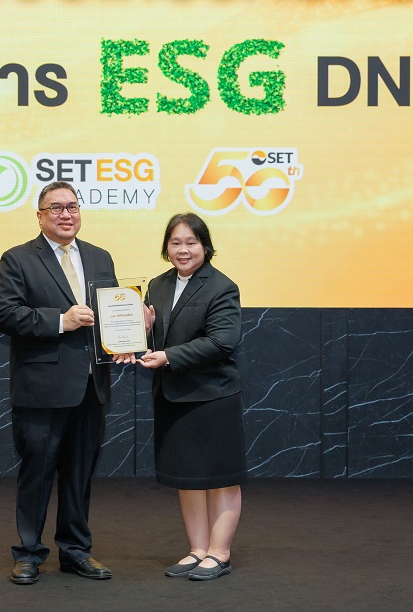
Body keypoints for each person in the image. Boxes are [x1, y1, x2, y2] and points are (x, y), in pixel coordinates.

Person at [0, 181, 117, 585]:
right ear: (40, 215)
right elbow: (6, 315)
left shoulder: (100, 257)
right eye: (56, 208)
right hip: (42, 388)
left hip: (91, 386)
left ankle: (76, 551)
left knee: (79, 474)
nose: (66, 214)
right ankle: (29, 554)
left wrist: (134, 330)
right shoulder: (17, 259)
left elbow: (111, 316)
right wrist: (61, 321)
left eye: (73, 207)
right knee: (38, 473)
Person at [137, 212, 245, 581]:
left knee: (221, 478)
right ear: (166, 248)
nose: (183, 250)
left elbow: (223, 341)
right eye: (175, 243)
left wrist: (168, 356)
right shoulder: (157, 284)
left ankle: (220, 552)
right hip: (172, 397)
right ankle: (198, 549)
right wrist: (142, 332)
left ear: (205, 246)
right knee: (187, 477)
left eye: (191, 242)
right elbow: (155, 339)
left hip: (212, 396)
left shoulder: (222, 286)